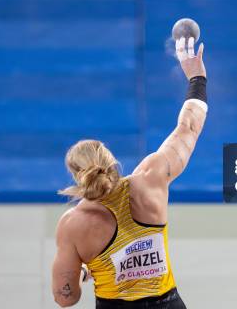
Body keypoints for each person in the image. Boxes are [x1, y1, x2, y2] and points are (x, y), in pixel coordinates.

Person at [51, 37, 207, 308]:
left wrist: (84, 270)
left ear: (77, 175)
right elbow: (188, 128)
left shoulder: (73, 224)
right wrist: (197, 78)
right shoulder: (151, 177)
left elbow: (66, 298)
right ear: (111, 160)